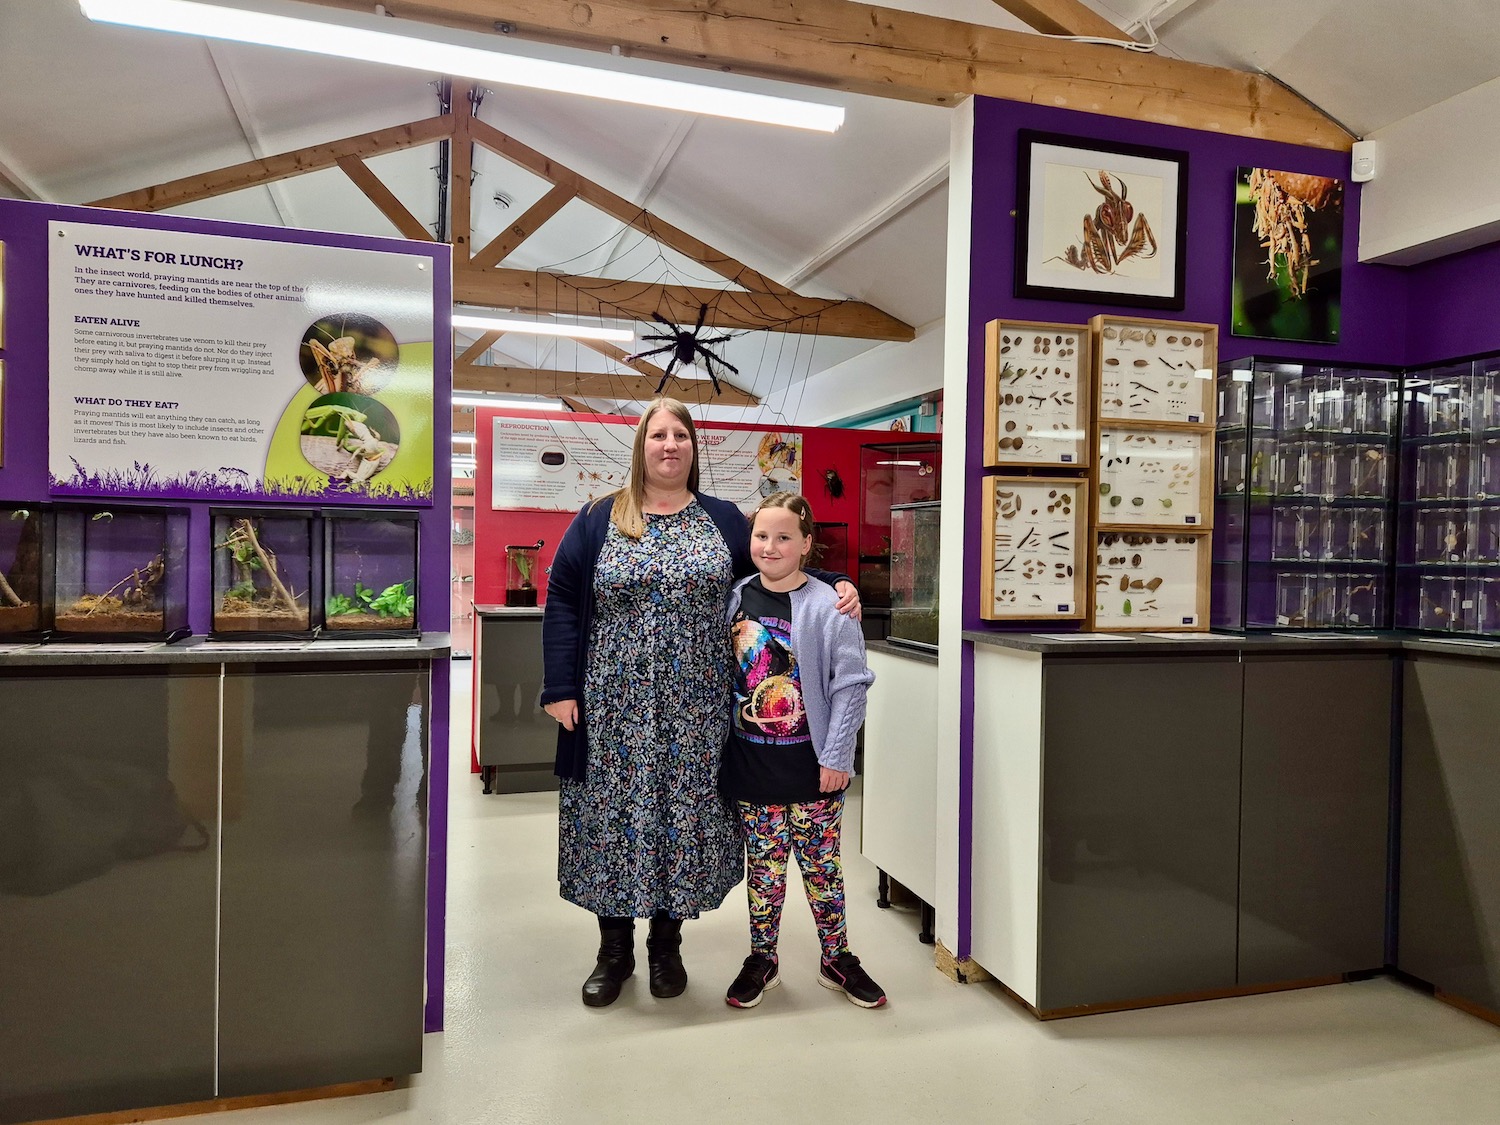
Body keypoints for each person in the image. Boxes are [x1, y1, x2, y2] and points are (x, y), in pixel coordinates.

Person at [540, 399, 859, 1008]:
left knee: (679, 821)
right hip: (612, 706)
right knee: (611, 822)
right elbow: (562, 597)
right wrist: (560, 686)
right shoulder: (598, 517)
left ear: (693, 447)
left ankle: (666, 945)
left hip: (699, 707)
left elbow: (778, 559)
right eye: (657, 434)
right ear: (641, 445)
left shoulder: (723, 521)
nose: (669, 445)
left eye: (680, 434)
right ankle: (613, 952)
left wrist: (839, 584)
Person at [720, 492, 885, 1009]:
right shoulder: (735, 596)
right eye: (761, 536)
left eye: (784, 537)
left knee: (821, 867)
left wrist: (838, 755)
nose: (770, 546)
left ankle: (836, 958)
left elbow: (850, 684)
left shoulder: (831, 606)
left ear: (807, 544)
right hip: (753, 764)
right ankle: (762, 957)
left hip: (812, 769)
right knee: (764, 871)